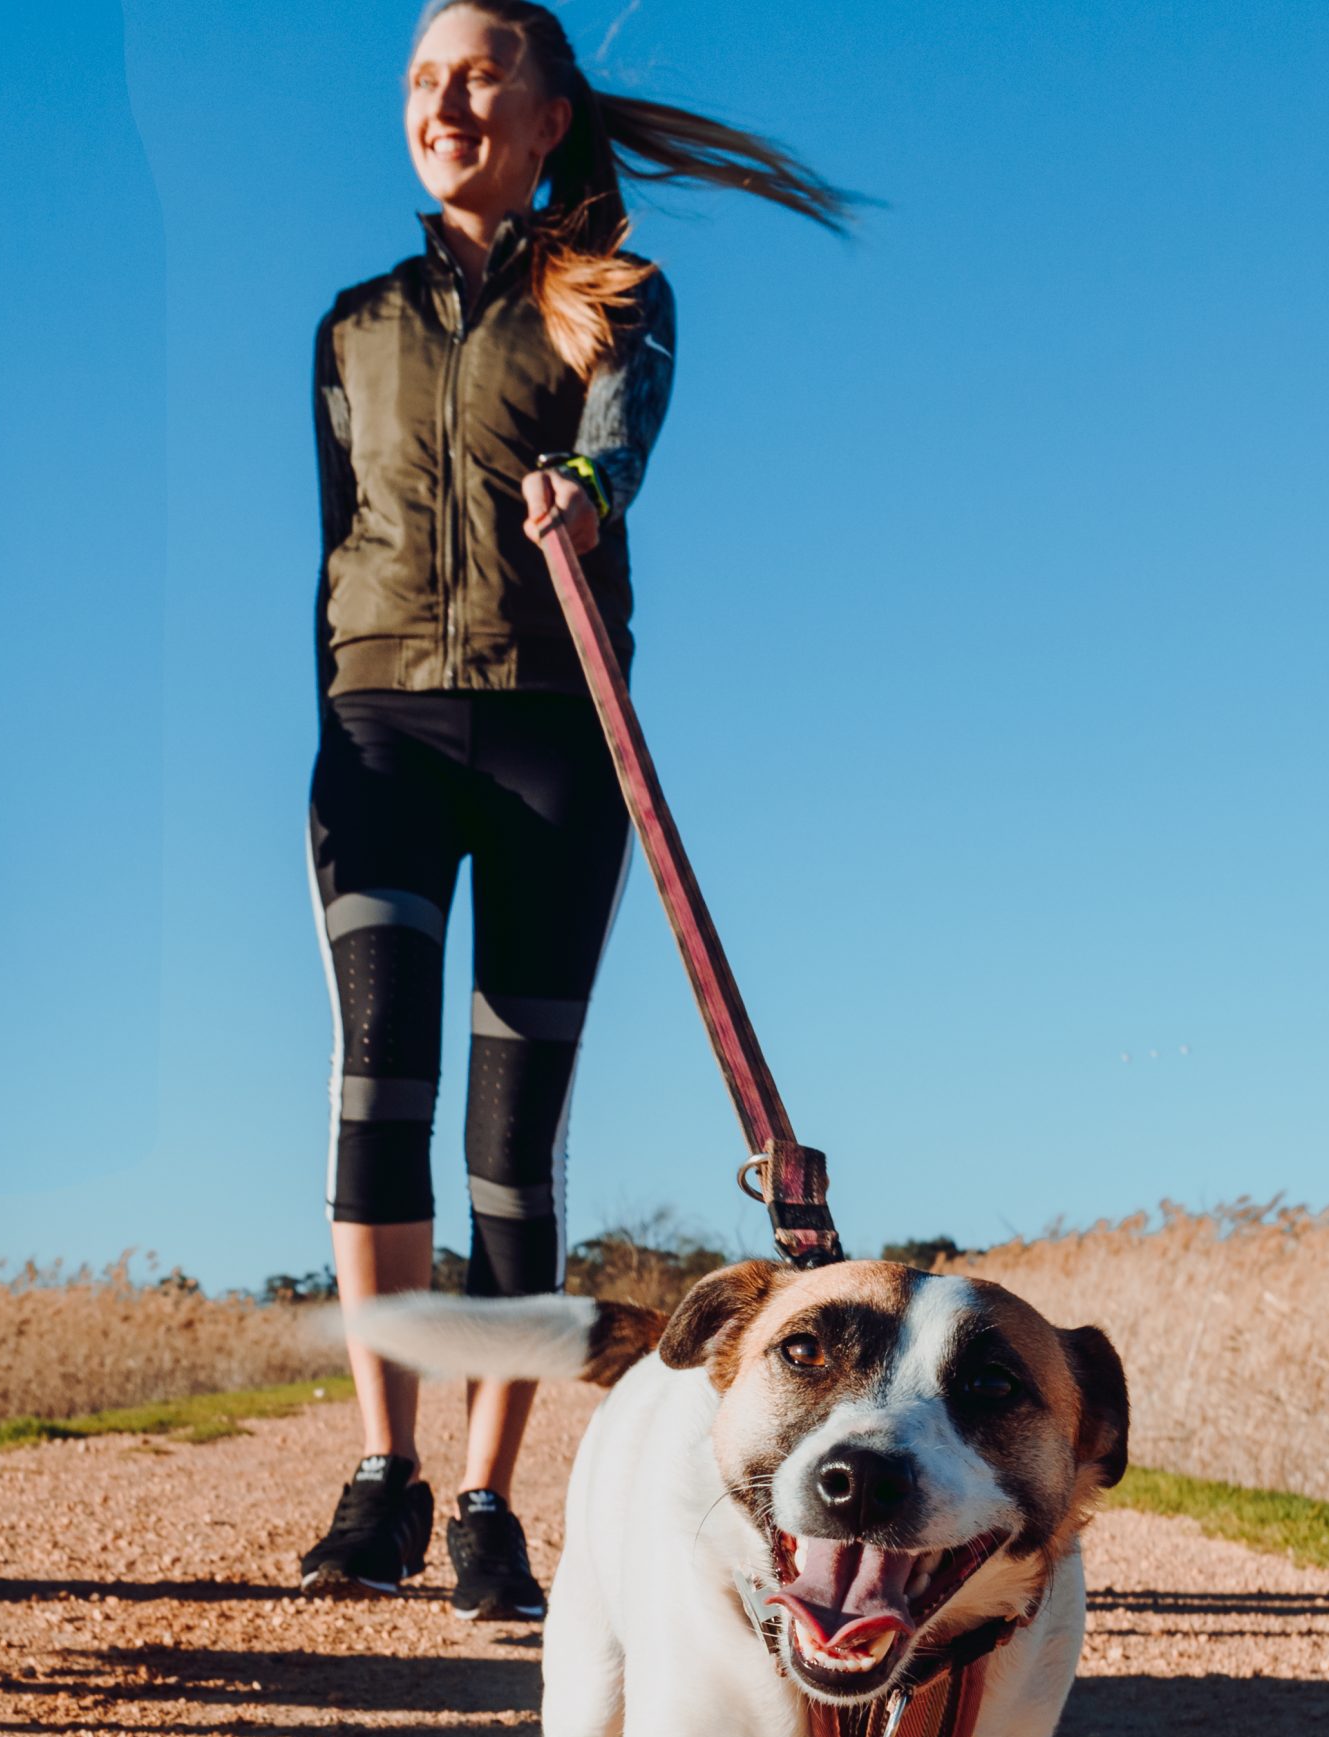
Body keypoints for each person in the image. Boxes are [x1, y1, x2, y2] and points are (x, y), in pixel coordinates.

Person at [300, 2, 851, 1617]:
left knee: (508, 1137)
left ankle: (486, 1502)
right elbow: (332, 540)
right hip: (381, 727)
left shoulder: (614, 294)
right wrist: (333, 717)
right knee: (374, 1087)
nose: (441, 100)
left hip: (553, 738)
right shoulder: (351, 325)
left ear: (547, 116)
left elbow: (621, 446)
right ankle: (382, 1475)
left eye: (475, 74)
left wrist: (585, 493)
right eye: (418, 79)